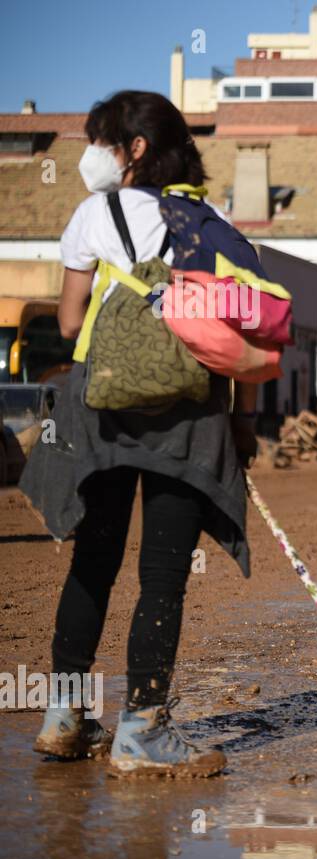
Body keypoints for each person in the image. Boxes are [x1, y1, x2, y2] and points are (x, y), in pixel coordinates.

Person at [22, 90, 258, 776]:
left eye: (101, 139)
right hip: (187, 417)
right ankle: (142, 729)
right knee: (163, 576)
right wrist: (242, 419)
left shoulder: (92, 214)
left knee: (93, 559)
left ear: (136, 148)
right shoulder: (206, 220)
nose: (92, 152)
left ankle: (65, 713)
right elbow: (236, 329)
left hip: (101, 408)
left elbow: (69, 325)